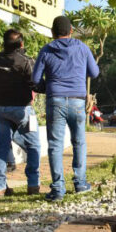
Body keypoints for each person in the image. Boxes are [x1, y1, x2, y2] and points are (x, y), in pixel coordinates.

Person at [32, 15, 99, 201]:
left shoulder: (46, 50)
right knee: (79, 142)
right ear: (71, 31)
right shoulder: (82, 48)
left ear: (52, 33)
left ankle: (58, 190)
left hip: (55, 101)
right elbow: (94, 72)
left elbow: (35, 79)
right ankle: (80, 183)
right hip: (78, 101)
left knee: (55, 145)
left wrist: (50, 86)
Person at [0, 29, 41, 197]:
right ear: (22, 44)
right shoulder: (26, 61)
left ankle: (0, 187)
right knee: (33, 146)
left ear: (3, 43)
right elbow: (35, 84)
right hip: (23, 110)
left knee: (2, 146)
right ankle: (32, 185)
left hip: (1, 110)